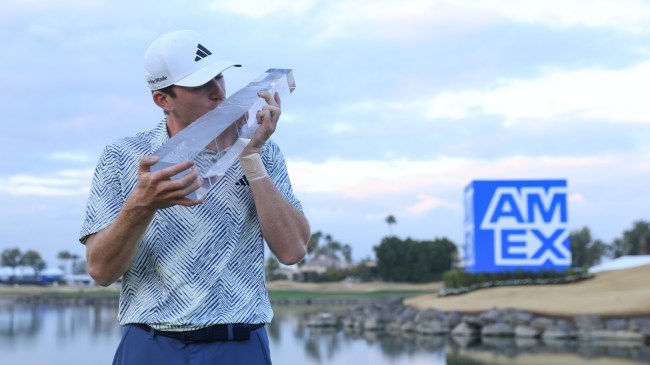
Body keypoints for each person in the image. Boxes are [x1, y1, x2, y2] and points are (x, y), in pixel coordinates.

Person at [79, 29, 310, 365]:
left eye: (219, 77)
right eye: (201, 85)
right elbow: (101, 271)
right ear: (163, 99)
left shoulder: (262, 147)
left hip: (239, 342)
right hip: (150, 342)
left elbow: (292, 251)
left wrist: (251, 157)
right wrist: (142, 205)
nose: (219, 93)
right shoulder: (124, 156)